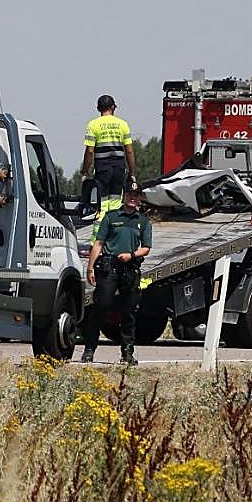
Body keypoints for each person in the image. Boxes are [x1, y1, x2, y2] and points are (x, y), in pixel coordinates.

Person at [80, 185, 152, 365]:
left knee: (128, 312)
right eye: (129, 194)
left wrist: (132, 255)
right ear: (124, 196)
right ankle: (89, 350)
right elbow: (98, 243)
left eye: (136, 195)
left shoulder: (143, 221)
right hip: (109, 267)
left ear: (140, 198)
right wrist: (90, 268)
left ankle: (127, 353)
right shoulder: (111, 217)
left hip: (130, 268)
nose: (132, 198)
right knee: (101, 306)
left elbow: (146, 248)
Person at [81, 95, 137, 239]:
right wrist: (132, 172)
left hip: (102, 170)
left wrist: (85, 170)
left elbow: (90, 151)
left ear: (98, 108)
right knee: (115, 205)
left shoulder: (93, 125)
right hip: (119, 169)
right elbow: (129, 151)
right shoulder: (122, 124)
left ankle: (97, 241)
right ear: (113, 108)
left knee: (102, 205)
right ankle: (114, 239)